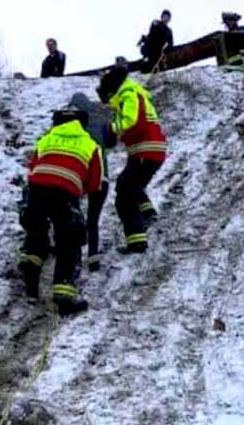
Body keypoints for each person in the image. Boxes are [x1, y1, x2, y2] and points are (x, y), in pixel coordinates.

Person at [19, 107, 102, 314]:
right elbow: (95, 184)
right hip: (66, 192)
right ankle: (64, 299)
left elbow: (32, 168)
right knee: (69, 241)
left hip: (36, 189)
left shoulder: (46, 139)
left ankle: (30, 288)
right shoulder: (91, 144)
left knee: (36, 234)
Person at [97, 65, 167, 255]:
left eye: (107, 97)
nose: (108, 102)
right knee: (126, 183)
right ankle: (147, 212)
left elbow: (131, 120)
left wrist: (111, 129)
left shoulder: (128, 94)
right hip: (146, 150)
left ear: (111, 90)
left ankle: (137, 240)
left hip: (146, 150)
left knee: (124, 197)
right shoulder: (135, 93)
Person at [69, 90, 118, 272]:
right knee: (93, 219)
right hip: (101, 175)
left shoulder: (71, 123)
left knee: (73, 215)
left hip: (78, 176)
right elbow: (112, 141)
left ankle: (73, 255)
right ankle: (93, 258)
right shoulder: (101, 116)